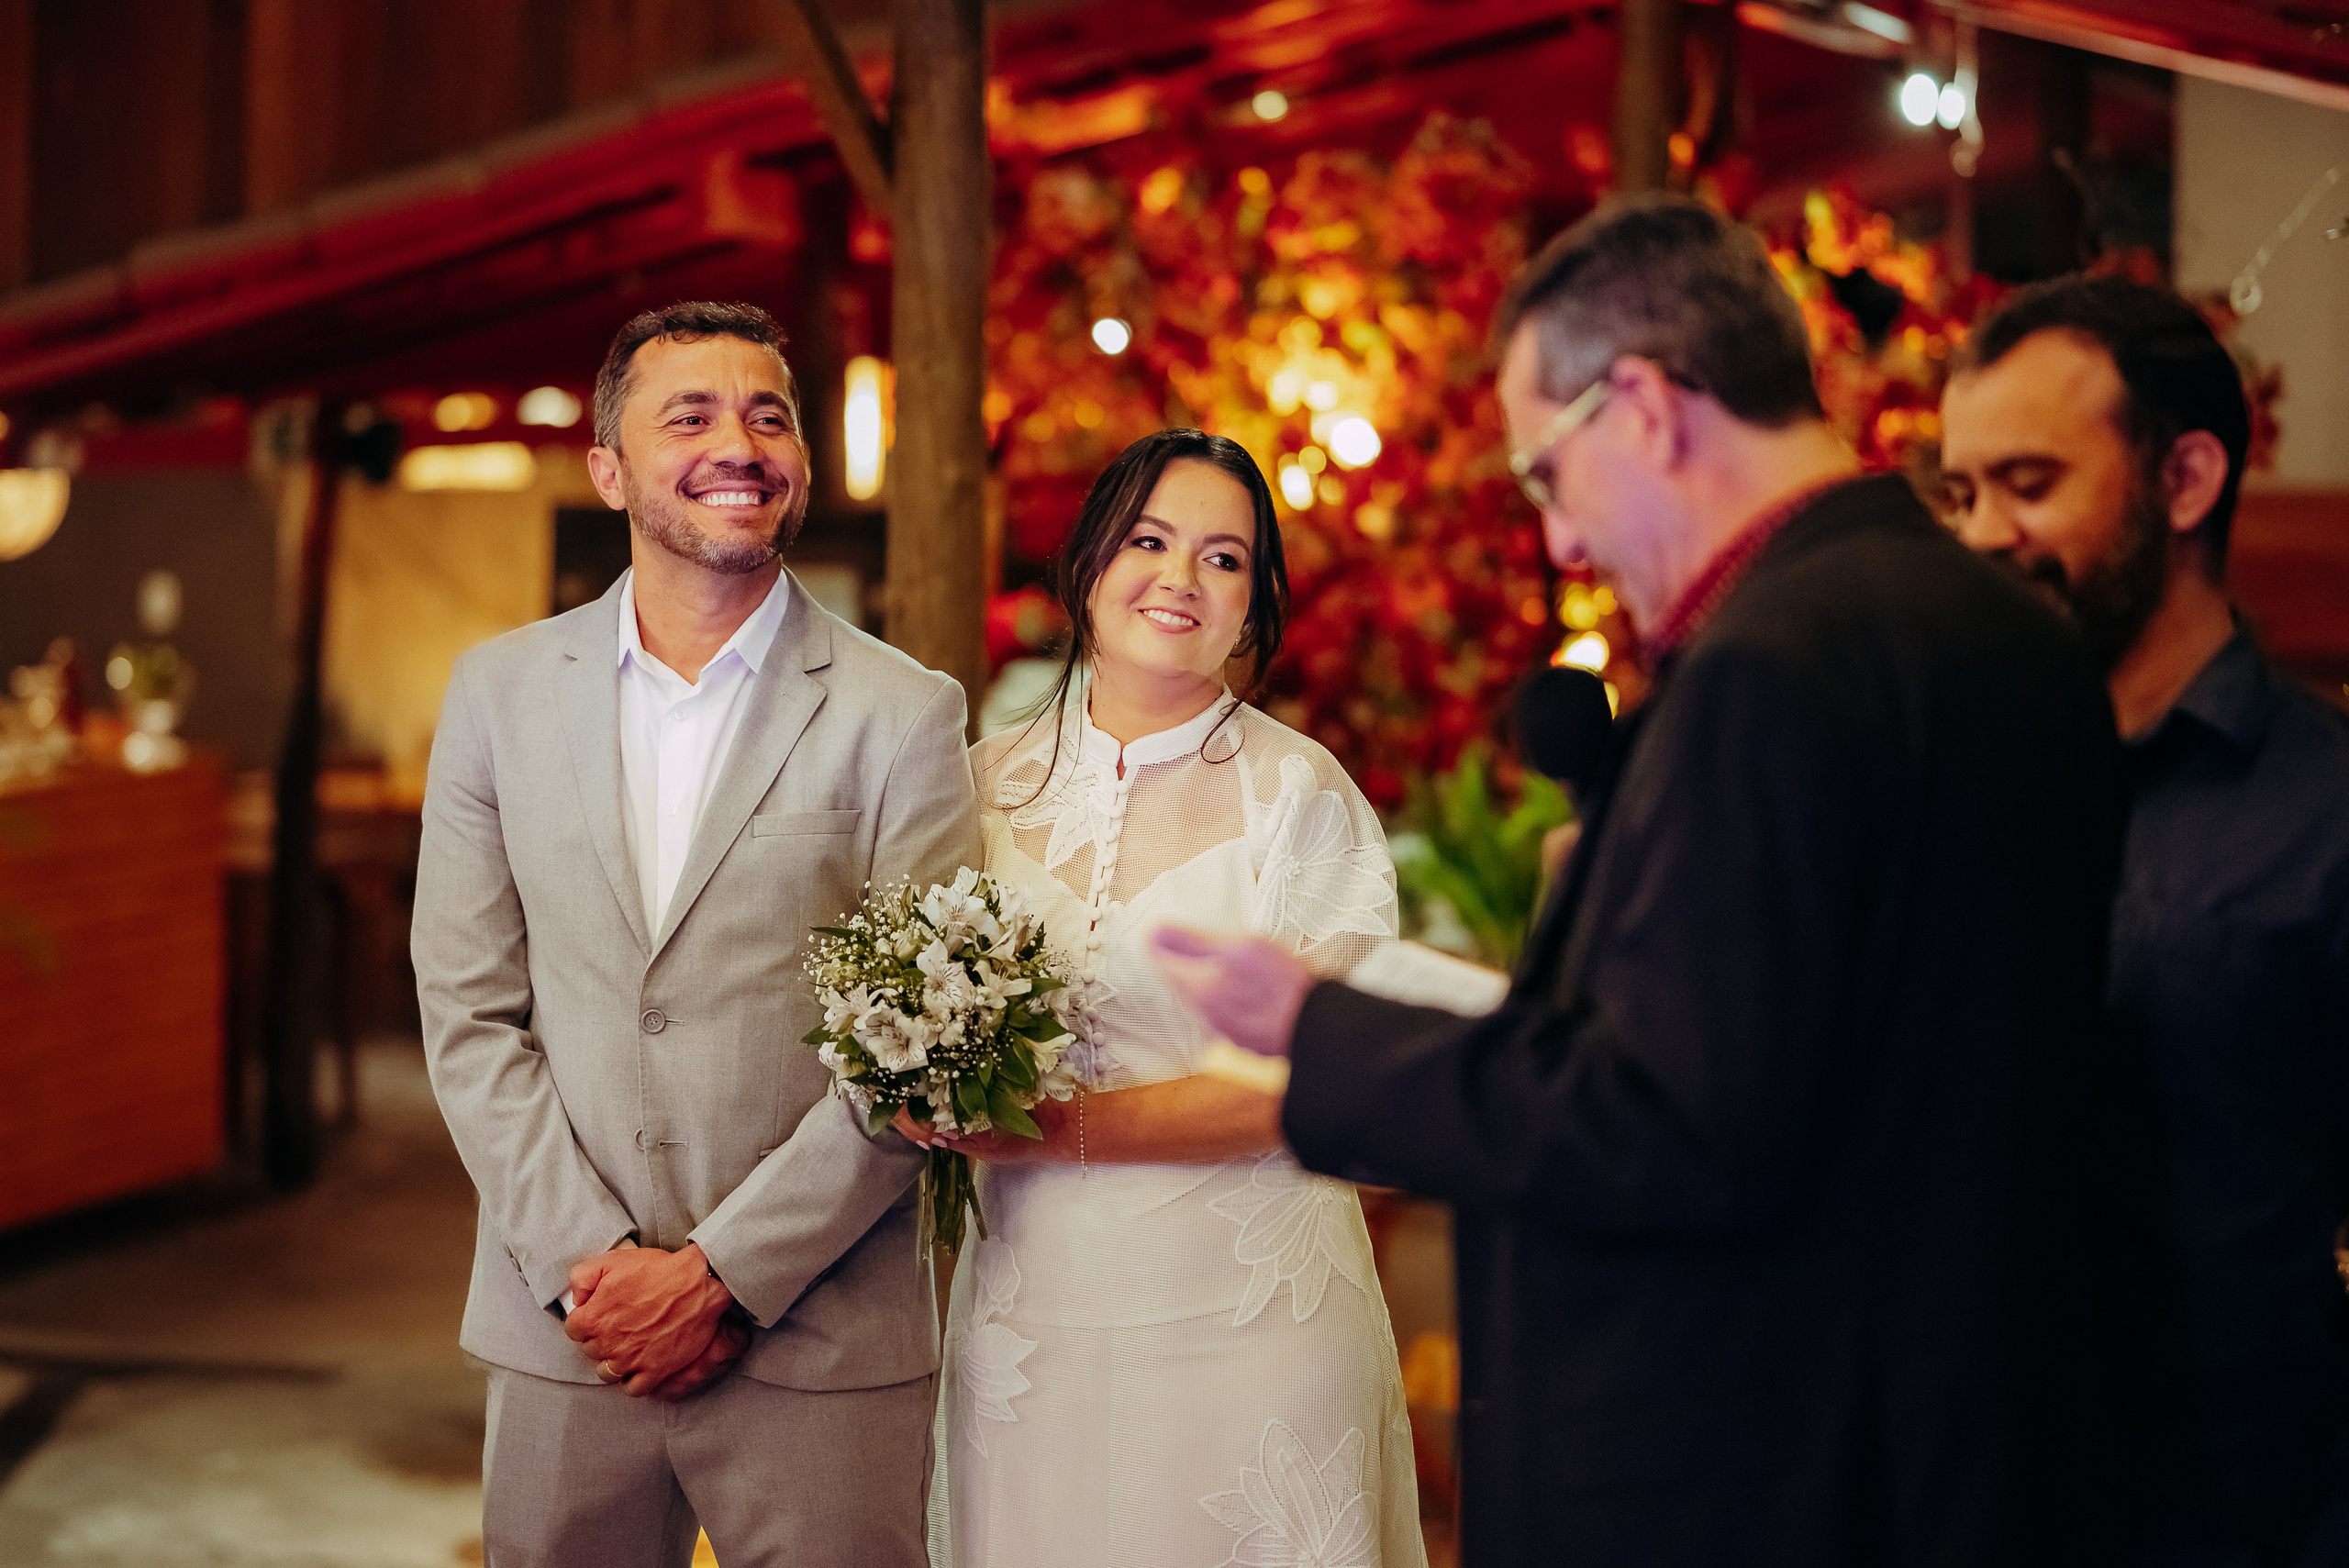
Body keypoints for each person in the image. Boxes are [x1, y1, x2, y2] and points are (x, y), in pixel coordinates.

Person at [1153, 196, 2132, 1566]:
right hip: (1974, 1444)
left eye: (1547, 474)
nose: (1561, 542)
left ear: (1646, 409)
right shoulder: (2014, 635)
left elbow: (1668, 1120)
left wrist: (1326, 1033)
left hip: (1760, 1468)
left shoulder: (1768, 672)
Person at [413, 300, 978, 1568]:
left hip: (823, 1336)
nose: (739, 444)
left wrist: (722, 1274)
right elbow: (467, 1011)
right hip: (570, 1329)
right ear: (609, 469)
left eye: (769, 416)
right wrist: (593, 1266)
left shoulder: (904, 714)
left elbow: (924, 1052)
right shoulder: (497, 693)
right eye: (691, 415)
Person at [903, 428, 1425, 1568]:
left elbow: (1320, 1074)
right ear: (1087, 561)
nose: (1179, 577)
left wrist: (1053, 1130)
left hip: (1255, 1324)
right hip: (1029, 1324)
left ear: (1254, 606)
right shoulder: (976, 786)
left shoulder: (1301, 795)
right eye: (1148, 540)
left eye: (1222, 557)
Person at [1941, 275, 2349, 1567]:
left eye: (2028, 483)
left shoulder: (2326, 812)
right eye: (1961, 493)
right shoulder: (1936, 790)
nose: (1983, 535)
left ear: (2185, 480)